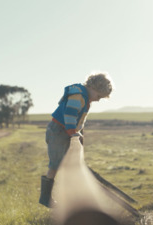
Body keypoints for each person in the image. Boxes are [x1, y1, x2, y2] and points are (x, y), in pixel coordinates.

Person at [39, 72, 114, 208]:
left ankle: (74, 197)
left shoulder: (85, 97)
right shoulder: (79, 95)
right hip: (58, 131)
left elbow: (79, 120)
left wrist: (78, 134)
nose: (98, 100)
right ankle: (45, 198)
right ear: (94, 87)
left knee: (70, 164)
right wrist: (73, 133)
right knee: (55, 165)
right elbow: (69, 115)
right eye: (98, 96)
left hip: (66, 131)